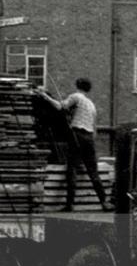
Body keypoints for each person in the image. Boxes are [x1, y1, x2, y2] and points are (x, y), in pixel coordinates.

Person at [38, 78, 112, 211]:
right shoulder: (91, 104)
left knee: (71, 169)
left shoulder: (75, 96)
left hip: (77, 134)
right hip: (89, 138)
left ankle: (69, 204)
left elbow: (60, 106)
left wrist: (45, 96)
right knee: (93, 172)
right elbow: (94, 128)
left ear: (77, 85)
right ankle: (104, 202)